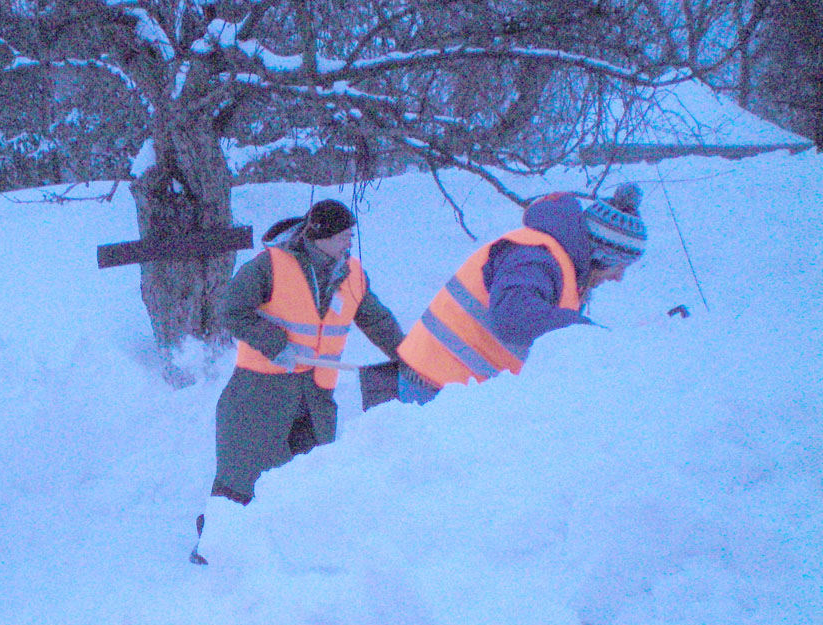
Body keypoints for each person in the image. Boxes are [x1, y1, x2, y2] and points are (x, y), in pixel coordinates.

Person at [192, 199, 404, 563]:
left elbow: (376, 320)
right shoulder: (269, 266)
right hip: (260, 389)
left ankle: (289, 552)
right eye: (341, 236)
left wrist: (405, 354)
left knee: (307, 475)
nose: (348, 242)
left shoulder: (352, 275)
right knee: (242, 472)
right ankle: (212, 546)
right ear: (319, 237)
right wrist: (275, 344)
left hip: (316, 394)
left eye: (350, 235)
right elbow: (232, 310)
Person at [361, 185, 646, 408]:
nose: (619, 277)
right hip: (437, 388)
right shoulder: (536, 256)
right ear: (601, 253)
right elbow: (513, 317)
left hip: (452, 386)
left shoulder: (560, 265)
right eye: (619, 266)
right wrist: (586, 331)